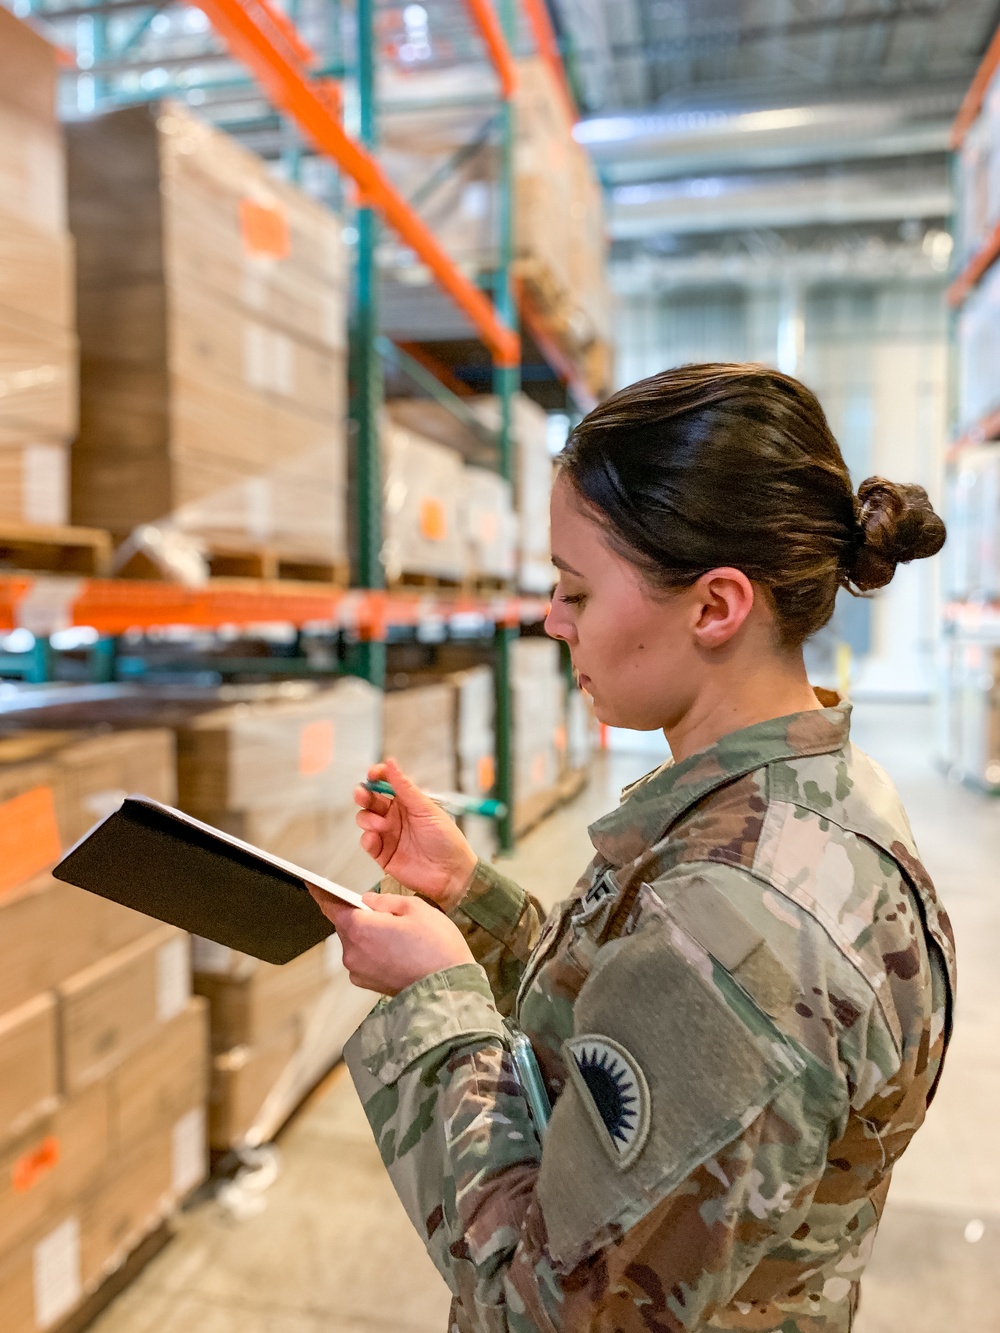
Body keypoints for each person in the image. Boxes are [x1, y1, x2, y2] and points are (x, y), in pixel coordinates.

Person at [311, 364, 956, 1333]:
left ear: (714, 606)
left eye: (575, 588)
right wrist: (473, 901)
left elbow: (540, 1311)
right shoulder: (805, 801)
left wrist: (433, 1002)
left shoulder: (739, 932)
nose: (550, 618)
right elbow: (628, 1018)